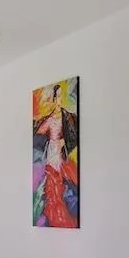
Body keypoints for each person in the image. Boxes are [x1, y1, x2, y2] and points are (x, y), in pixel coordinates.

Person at [34, 82, 79, 227]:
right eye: (57, 97)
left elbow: (74, 135)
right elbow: (38, 133)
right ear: (53, 99)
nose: (59, 100)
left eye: (61, 96)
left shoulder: (67, 116)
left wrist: (63, 142)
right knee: (52, 186)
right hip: (51, 153)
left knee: (65, 183)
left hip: (61, 153)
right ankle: (54, 216)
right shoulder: (49, 119)